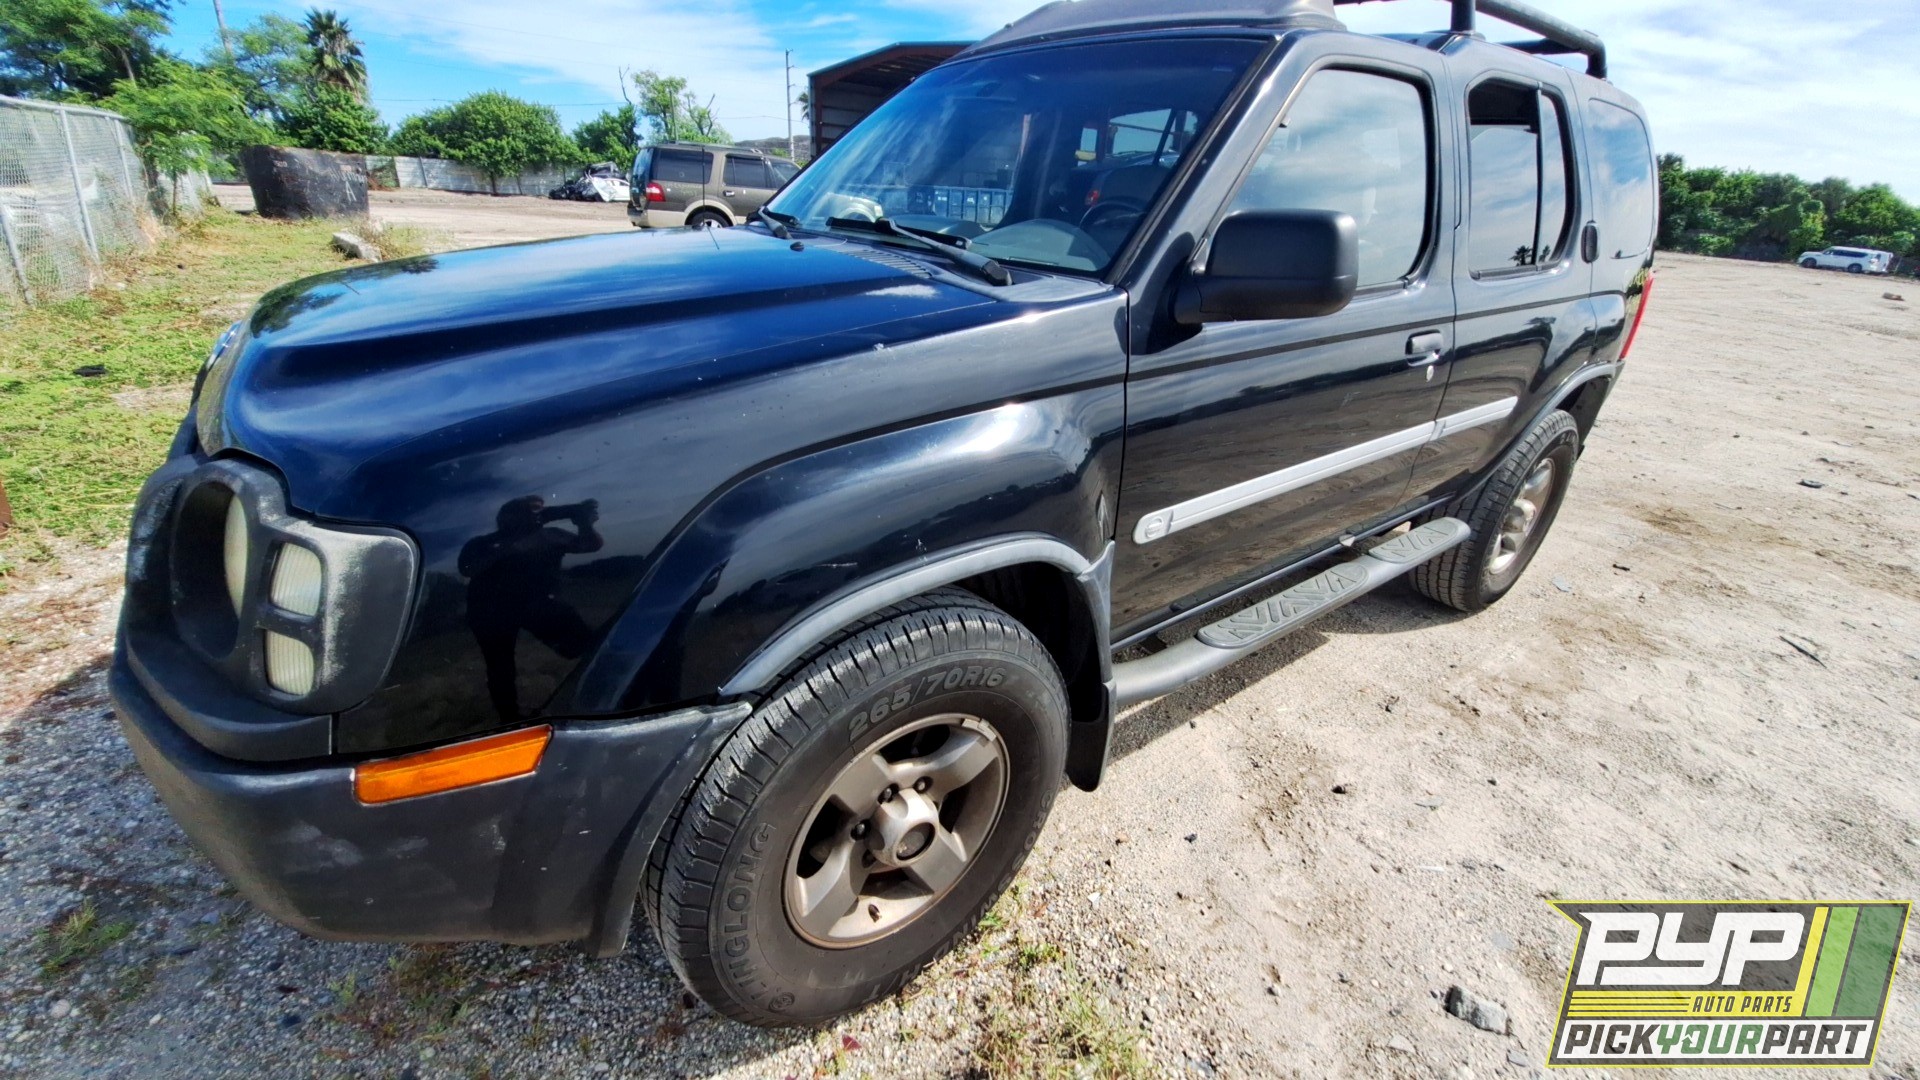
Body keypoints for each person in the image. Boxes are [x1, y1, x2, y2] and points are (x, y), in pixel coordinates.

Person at [458, 495, 604, 722]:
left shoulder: (549, 535)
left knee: (584, 645)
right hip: (491, 611)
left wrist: (584, 523)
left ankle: (600, 694)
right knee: (500, 666)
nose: (535, 516)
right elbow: (467, 568)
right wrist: (512, 546)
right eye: (527, 511)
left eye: (537, 512)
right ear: (506, 518)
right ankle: (509, 717)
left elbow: (590, 545)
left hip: (538, 605)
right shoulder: (482, 543)